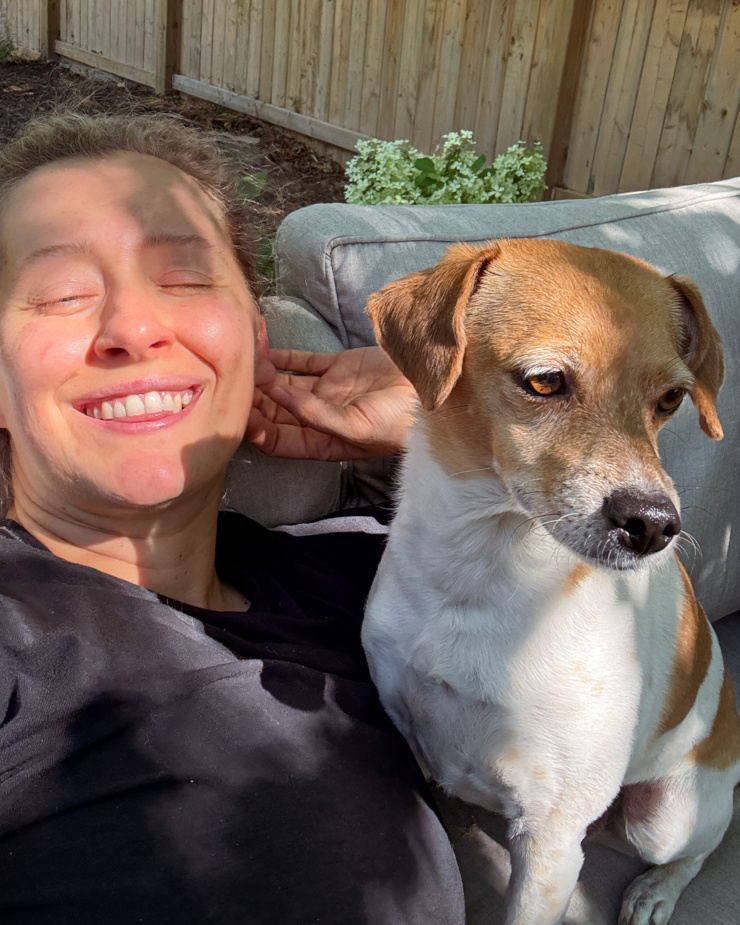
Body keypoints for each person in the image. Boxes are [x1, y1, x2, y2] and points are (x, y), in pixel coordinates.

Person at [0, 113, 465, 925]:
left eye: (183, 279)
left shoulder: (365, 571)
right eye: (61, 295)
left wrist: (455, 433)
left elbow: (625, 644)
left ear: (256, 339)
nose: (133, 329)